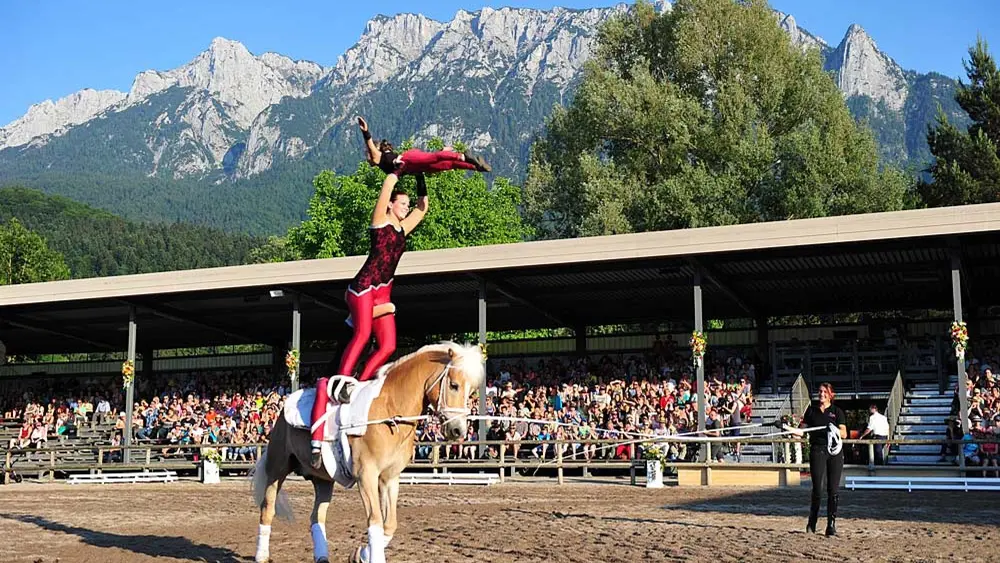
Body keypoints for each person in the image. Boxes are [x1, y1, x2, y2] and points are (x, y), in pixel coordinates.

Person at [309, 169, 430, 469]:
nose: (405, 208)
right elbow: (387, 186)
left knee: (388, 345)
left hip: (382, 294)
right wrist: (395, 170)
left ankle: (363, 383)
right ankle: (343, 381)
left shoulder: (404, 228)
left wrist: (420, 175)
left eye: (405, 205)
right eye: (401, 204)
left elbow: (424, 207)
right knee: (362, 335)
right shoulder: (380, 221)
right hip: (363, 288)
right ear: (390, 204)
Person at [357, 116, 491, 176]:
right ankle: (476, 167)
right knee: (446, 165)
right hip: (414, 168)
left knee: (434, 158)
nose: (367, 158)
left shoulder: (377, 158)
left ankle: (462, 156)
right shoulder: (382, 162)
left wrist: (365, 131)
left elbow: (369, 143)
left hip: (408, 159)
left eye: (367, 155)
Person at [799, 382, 847, 536]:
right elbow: (800, 432)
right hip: (817, 450)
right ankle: (812, 522)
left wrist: (834, 429)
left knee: (833, 489)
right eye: (820, 391)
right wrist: (786, 427)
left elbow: (844, 434)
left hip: (834, 452)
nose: (821, 394)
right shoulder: (811, 411)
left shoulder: (836, 412)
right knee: (818, 488)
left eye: (825, 392)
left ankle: (831, 525)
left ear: (830, 394)